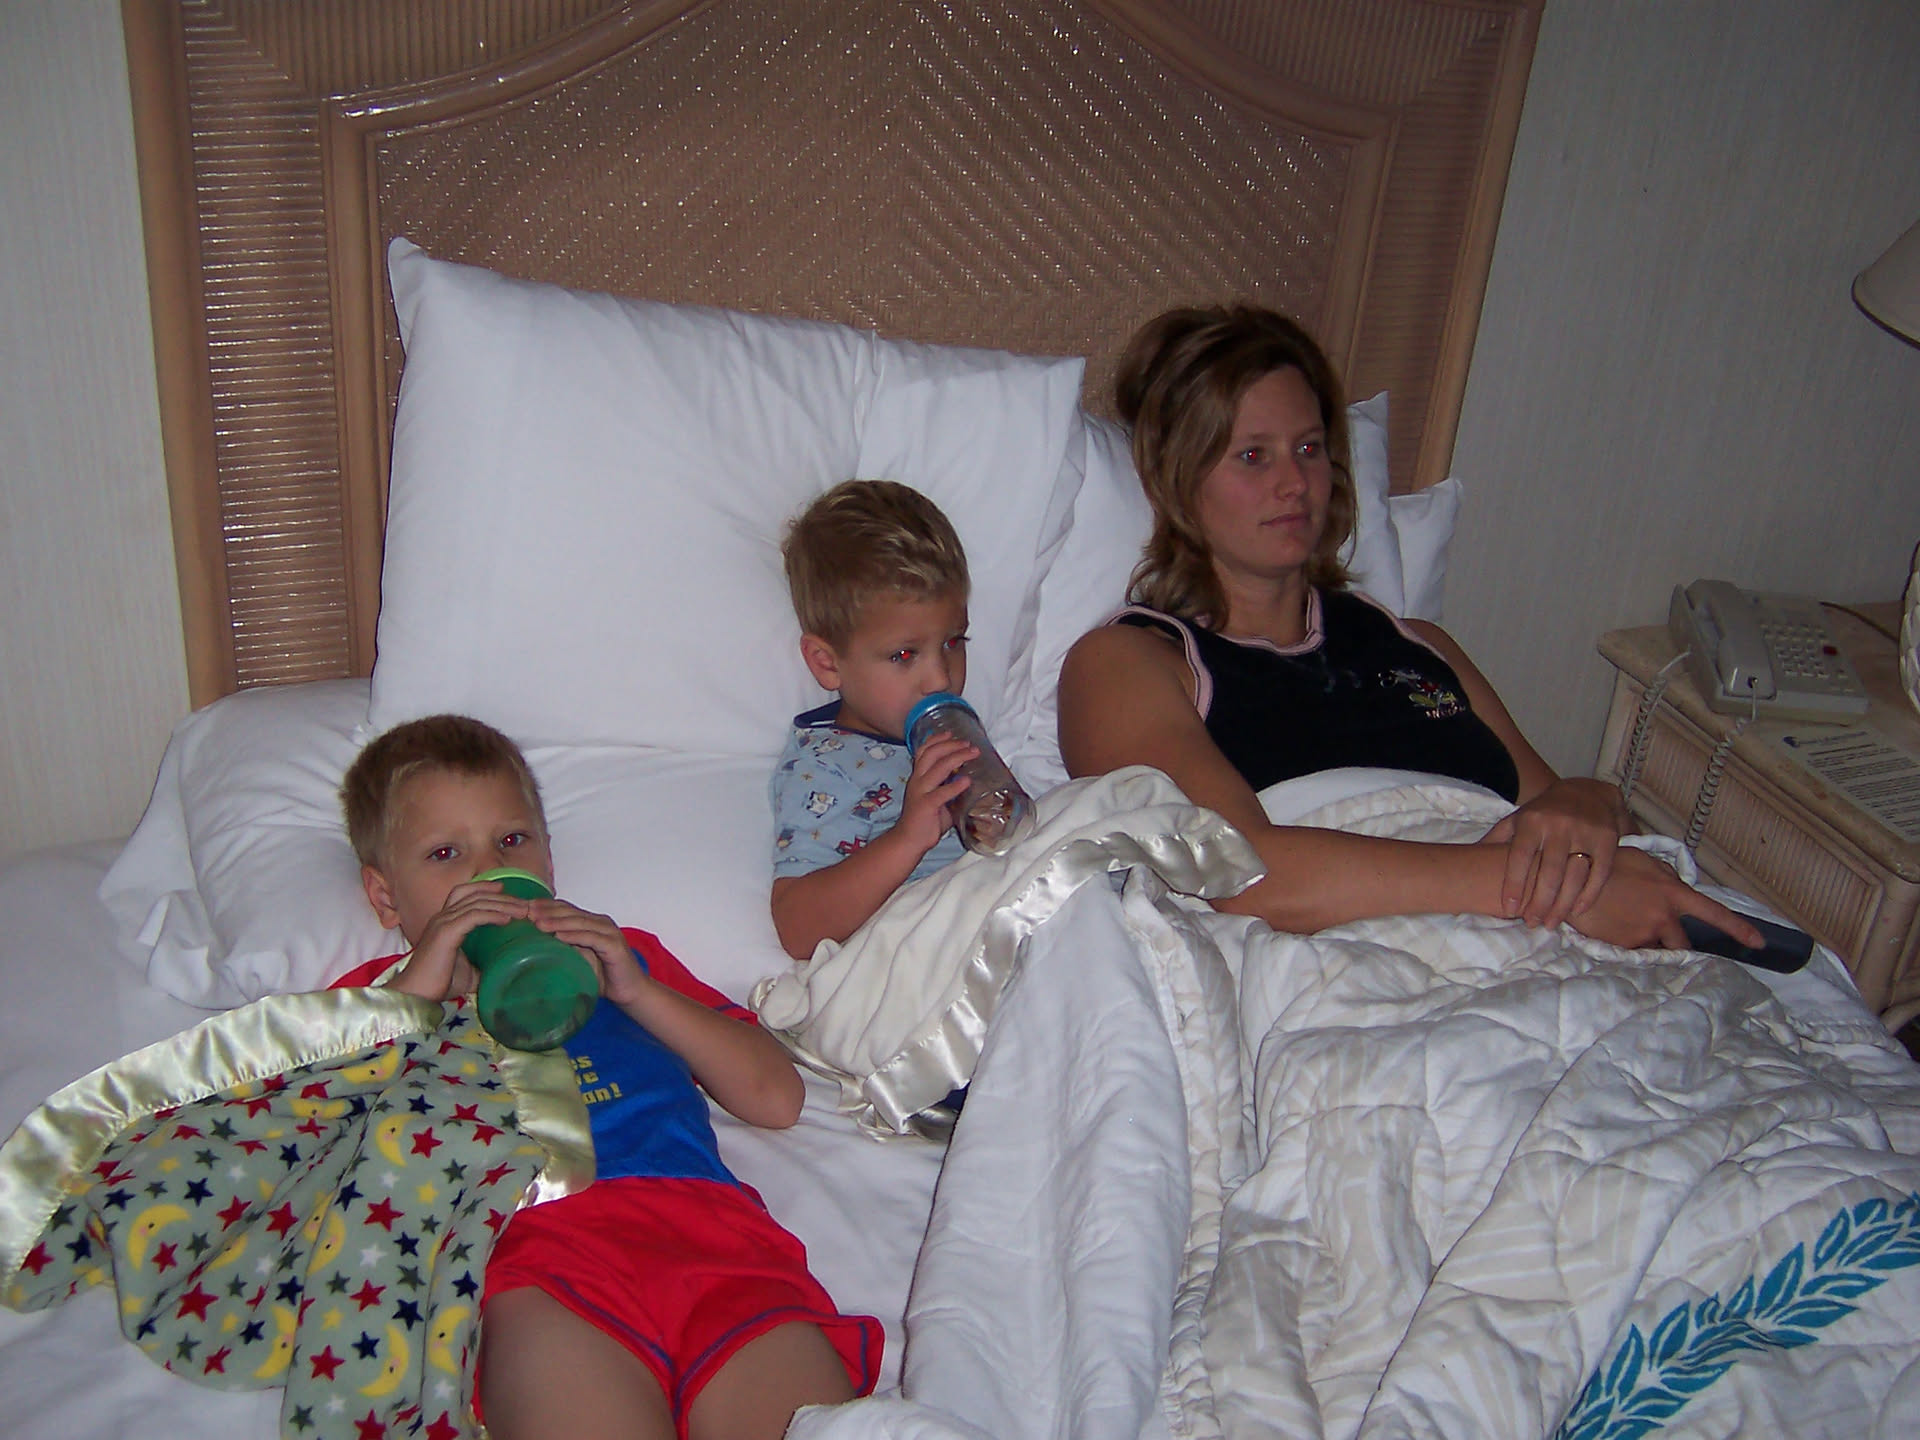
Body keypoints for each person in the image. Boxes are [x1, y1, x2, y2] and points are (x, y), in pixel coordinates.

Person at [1057, 304, 1760, 951]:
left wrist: (1592, 798)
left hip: (1547, 930)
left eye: (1309, 449)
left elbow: (1552, 808)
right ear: (1178, 482)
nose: (1294, 483)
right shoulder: (1129, 663)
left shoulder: (1421, 645)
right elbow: (1240, 873)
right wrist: (1533, 888)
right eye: (1253, 455)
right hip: (1368, 954)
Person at [337, 714, 879, 1440]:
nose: (484, 873)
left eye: (511, 841)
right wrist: (422, 991)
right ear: (385, 898)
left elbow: (777, 1099)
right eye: (444, 854)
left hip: (708, 1237)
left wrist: (637, 992)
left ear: (547, 856)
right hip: (532, 1254)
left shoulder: (621, 958)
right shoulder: (376, 1004)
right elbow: (323, 1134)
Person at [768, 479, 981, 961]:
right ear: (828, 664)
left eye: (953, 642)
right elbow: (797, 926)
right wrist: (908, 837)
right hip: (929, 958)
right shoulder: (827, 765)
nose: (940, 678)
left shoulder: (955, 732)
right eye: (904, 655)